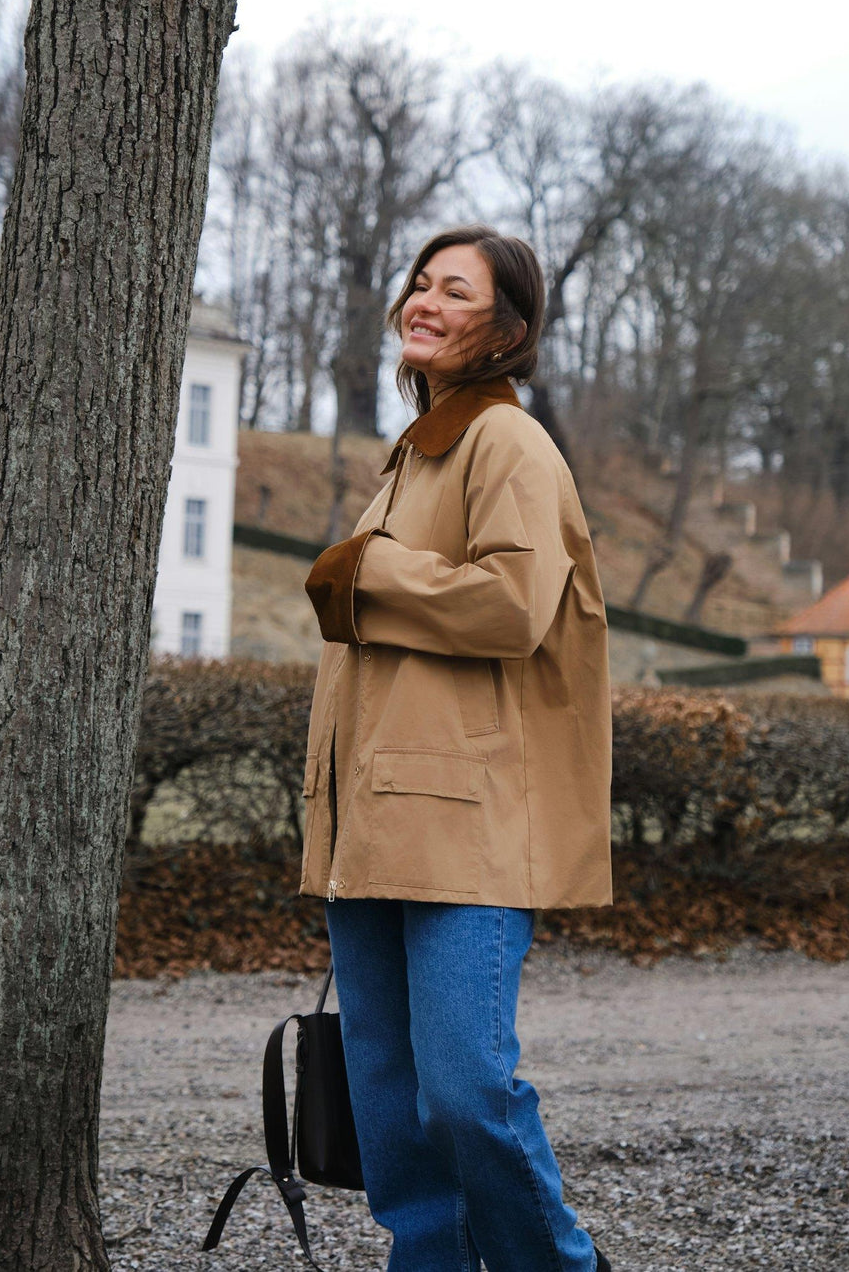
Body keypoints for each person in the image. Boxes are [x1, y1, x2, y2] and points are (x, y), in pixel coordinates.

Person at [302, 223, 613, 1272]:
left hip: (467, 825)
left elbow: (514, 605)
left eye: (457, 293)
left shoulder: (506, 441)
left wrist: (367, 571)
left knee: (465, 1091)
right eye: (421, 284)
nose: (425, 302)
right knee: (389, 1102)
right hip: (374, 822)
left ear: (508, 331)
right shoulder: (418, 450)